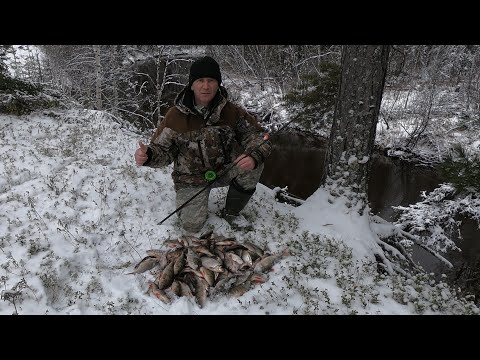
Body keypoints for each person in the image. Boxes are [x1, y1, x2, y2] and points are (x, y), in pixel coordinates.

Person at [134, 55, 272, 233]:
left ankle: (231, 213)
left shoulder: (232, 112)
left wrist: (253, 155)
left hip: (225, 169)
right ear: (191, 84)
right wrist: (148, 156)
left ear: (218, 84)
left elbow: (259, 135)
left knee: (255, 164)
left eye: (211, 80)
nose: (206, 86)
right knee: (192, 226)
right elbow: (162, 150)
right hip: (190, 178)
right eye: (200, 80)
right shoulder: (175, 116)